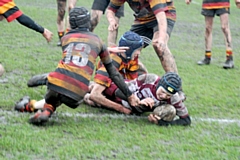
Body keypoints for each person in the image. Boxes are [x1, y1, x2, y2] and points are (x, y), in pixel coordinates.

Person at [19, 7, 140, 125]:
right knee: (63, 88)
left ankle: (39, 95)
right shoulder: (98, 41)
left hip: (57, 84)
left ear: (70, 23)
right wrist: (129, 95)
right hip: (78, 95)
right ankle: (47, 111)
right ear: (88, 22)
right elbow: (113, 74)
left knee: (49, 81)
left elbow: (80, 46)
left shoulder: (65, 39)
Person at [15, 31, 148, 115]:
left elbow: (132, 83)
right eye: (138, 50)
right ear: (129, 49)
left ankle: (43, 100)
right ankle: (36, 99)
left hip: (106, 86)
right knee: (87, 96)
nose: (139, 53)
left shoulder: (132, 59)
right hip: (92, 88)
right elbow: (96, 95)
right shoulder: (111, 61)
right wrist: (121, 108)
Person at [85, 72, 191, 126]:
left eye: (168, 95)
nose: (164, 96)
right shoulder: (149, 79)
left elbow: (186, 120)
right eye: (162, 92)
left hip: (129, 109)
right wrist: (138, 101)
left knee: (89, 100)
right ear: (159, 84)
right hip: (118, 93)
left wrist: (163, 123)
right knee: (90, 89)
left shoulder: (174, 98)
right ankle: (85, 85)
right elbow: (120, 91)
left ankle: (87, 96)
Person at [106, 0, 178, 73]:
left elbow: (161, 16)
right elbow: (110, 10)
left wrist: (161, 38)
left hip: (164, 15)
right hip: (142, 19)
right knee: (125, 50)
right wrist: (112, 21)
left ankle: (174, 80)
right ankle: (144, 79)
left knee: (158, 45)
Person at [186, 0, 239, 69]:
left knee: (224, 27)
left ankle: (229, 58)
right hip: (208, 2)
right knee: (208, 28)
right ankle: (207, 57)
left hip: (223, 2)